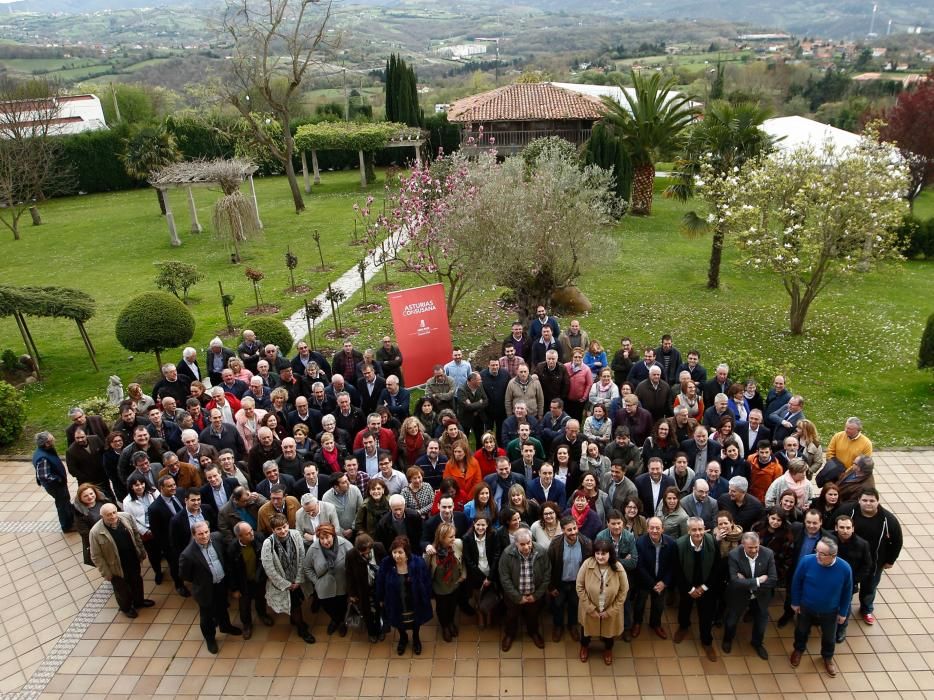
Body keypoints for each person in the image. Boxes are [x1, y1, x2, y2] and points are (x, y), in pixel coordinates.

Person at [790, 537, 853, 677]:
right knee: (801, 630)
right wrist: (795, 602)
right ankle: (798, 650)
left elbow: (847, 592)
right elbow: (796, 582)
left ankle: (827, 657)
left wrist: (843, 612)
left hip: (830, 611)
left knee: (829, 637)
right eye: (816, 551)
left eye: (822, 554)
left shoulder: (844, 568)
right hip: (806, 607)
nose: (817, 555)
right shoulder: (807, 561)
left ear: (833, 556)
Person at [841, 487, 903, 625]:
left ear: (877, 502)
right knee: (847, 585)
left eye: (871, 501)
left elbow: (897, 541)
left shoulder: (888, 520)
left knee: (869, 587)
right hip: (850, 559)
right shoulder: (847, 511)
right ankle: (843, 608)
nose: (868, 503)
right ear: (859, 500)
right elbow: (832, 526)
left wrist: (890, 560)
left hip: (874, 562)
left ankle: (866, 609)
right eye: (864, 500)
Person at [179, 521, 242, 653]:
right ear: (194, 535)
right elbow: (186, 575)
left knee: (223, 606)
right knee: (206, 616)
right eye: (200, 534)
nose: (205, 536)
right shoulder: (188, 555)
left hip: (221, 583)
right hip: (205, 589)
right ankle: (210, 638)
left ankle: (226, 626)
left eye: (206, 532)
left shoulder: (217, 538)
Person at [89, 503, 154, 618]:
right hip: (116, 567)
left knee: (137, 581)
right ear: (102, 516)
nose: (113, 516)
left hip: (132, 559)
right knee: (122, 589)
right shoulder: (95, 532)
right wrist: (106, 573)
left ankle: (139, 601)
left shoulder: (126, 517)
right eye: (108, 515)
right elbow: (96, 556)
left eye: (114, 512)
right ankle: (126, 608)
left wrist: (141, 551)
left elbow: (135, 534)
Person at [721, 532, 777, 659]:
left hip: (761, 596)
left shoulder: (768, 553)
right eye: (750, 547)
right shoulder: (734, 555)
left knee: (761, 623)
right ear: (742, 545)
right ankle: (727, 640)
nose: (754, 550)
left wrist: (745, 581)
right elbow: (734, 581)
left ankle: (757, 643)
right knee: (731, 621)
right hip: (738, 596)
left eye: (756, 547)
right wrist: (758, 581)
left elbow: (773, 580)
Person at [261, 514, 315, 643]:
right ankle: (301, 628)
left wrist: (298, 579)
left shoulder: (295, 534)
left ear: (288, 525)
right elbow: (268, 567)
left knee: (298, 600)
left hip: (297, 579)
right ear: (273, 530)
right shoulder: (268, 544)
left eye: (284, 527)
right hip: (283, 582)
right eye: (278, 529)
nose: (283, 531)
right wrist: (285, 584)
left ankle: (295, 621)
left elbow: (302, 556)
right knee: (295, 605)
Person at [377, 536, 433, 655]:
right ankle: (403, 638)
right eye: (394, 552)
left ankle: (416, 639)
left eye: (400, 552)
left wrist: (426, 596)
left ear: (406, 552)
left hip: (414, 599)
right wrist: (381, 598)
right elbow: (380, 582)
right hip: (395, 599)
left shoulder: (418, 562)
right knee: (398, 621)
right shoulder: (386, 563)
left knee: (416, 621)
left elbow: (426, 580)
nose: (397, 556)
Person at [575, 538, 628, 665]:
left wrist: (611, 611)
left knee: (609, 634)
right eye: (597, 553)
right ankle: (585, 647)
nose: (600, 556)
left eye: (603, 553)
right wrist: (590, 608)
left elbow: (623, 590)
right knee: (586, 632)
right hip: (590, 607)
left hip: (609, 608)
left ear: (610, 554)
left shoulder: (618, 567)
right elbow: (579, 587)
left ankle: (608, 650)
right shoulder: (588, 564)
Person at [498, 528, 551, 651]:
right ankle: (510, 635)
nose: (526, 547)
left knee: (533, 616)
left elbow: (547, 574)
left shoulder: (541, 552)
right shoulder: (507, 554)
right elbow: (504, 578)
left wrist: (536, 595)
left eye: (528, 543)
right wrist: (518, 597)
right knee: (511, 616)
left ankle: (533, 633)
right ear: (515, 543)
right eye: (522, 544)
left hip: (534, 595)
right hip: (514, 596)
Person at [674, 517, 719, 660]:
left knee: (706, 614)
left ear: (704, 528)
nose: (698, 533)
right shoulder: (679, 545)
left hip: (706, 585)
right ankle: (683, 626)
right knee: (684, 607)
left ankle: (706, 641)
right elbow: (677, 570)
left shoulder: (712, 541)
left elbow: (717, 568)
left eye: (700, 529)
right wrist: (690, 589)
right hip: (687, 585)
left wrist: (703, 587)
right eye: (694, 530)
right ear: (688, 531)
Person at [302, 523, 354, 636]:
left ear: (333, 535)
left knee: (342, 606)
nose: (325, 541)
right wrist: (316, 581)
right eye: (322, 538)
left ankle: (341, 623)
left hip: (342, 585)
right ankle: (335, 620)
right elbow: (307, 567)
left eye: (327, 537)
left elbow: (354, 563)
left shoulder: (345, 544)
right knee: (328, 607)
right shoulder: (313, 549)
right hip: (324, 587)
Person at [548, 516, 593, 642]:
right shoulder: (555, 544)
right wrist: (551, 587)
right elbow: (549, 566)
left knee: (575, 604)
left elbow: (590, 566)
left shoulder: (587, 543)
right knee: (558, 605)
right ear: (563, 530)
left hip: (577, 583)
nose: (573, 532)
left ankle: (572, 626)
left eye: (575, 528)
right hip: (560, 582)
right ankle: (558, 627)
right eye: (569, 530)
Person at [226, 522, 272, 639]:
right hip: (243, 583)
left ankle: (262, 615)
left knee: (260, 599)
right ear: (239, 536)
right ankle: (247, 625)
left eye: (251, 530)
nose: (252, 534)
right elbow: (230, 571)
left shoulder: (259, 538)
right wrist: (234, 589)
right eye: (247, 533)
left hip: (258, 579)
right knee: (244, 606)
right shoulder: (232, 549)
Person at [632, 517, 676, 639]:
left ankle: (656, 624)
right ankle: (637, 623)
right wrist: (652, 584)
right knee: (640, 604)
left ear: (663, 529)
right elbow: (639, 566)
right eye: (652, 528)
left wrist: (664, 582)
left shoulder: (671, 543)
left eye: (658, 528)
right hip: (645, 581)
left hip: (662, 582)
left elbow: (672, 566)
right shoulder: (640, 543)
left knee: (659, 605)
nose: (655, 530)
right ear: (647, 529)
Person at [832, 514, 873, 643]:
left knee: (845, 605)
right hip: (829, 580)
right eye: (842, 527)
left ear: (853, 529)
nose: (845, 530)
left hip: (848, 583)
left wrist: (854, 580)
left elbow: (867, 566)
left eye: (848, 527)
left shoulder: (862, 544)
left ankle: (841, 628)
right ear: (836, 528)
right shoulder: (829, 539)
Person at [424, 523, 466, 642]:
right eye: (451, 537)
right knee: (442, 608)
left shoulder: (458, 544)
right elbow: (426, 570)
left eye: (454, 536)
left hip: (455, 584)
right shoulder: (431, 553)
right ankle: (445, 626)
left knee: (452, 606)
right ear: (442, 538)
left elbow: (463, 561)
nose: (454, 539)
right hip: (439, 587)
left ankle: (451, 622)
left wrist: (463, 575)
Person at [462, 515, 500, 628]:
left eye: (483, 525)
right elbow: (469, 561)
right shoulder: (467, 538)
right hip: (476, 573)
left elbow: (496, 555)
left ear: (487, 525)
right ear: (474, 524)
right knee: (477, 593)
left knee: (490, 592)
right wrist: (482, 578)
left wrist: (490, 577)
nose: (480, 527)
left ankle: (488, 611)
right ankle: (479, 612)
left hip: (491, 571)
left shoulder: (494, 535)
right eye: (478, 524)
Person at [33, 432, 74, 532]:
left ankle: (71, 518)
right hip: (55, 486)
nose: (54, 440)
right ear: (47, 443)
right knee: (62, 504)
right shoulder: (42, 458)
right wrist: (58, 479)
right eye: (52, 439)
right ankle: (67, 526)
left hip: (59, 484)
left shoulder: (46, 450)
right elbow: (44, 476)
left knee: (65, 501)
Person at [819, 417, 873, 486]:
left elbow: (863, 463)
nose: (846, 430)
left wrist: (845, 473)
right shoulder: (838, 436)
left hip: (851, 476)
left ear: (858, 430)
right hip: (833, 471)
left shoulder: (867, 444)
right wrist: (836, 469)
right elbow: (830, 452)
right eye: (846, 427)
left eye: (850, 429)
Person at [72, 483, 111, 566]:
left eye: (91, 493)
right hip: (100, 541)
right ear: (80, 498)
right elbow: (85, 533)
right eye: (85, 496)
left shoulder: (104, 501)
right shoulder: (80, 513)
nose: (90, 497)